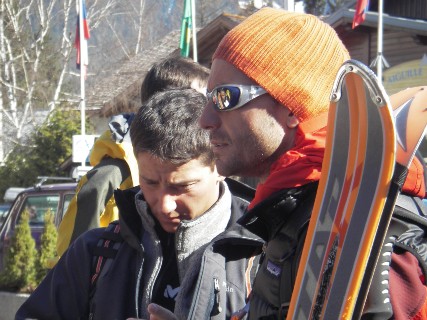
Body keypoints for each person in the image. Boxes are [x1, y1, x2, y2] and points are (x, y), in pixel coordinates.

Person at [197, 7, 427, 320]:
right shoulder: (298, 208)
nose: (205, 119)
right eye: (206, 99)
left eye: (224, 97)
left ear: (293, 106)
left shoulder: (368, 224)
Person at [16, 88, 263, 320]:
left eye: (182, 187)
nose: (164, 205)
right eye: (150, 182)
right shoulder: (94, 253)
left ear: (221, 168)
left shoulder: (266, 256)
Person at [53, 56, 210, 265]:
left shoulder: (213, 167)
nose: (209, 111)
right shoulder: (110, 177)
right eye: (200, 98)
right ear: (166, 104)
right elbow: (71, 267)